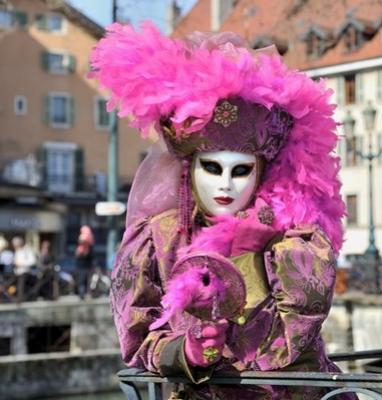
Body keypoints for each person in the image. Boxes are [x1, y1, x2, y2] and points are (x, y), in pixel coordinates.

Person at [90, 24, 354, 399]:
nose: (226, 185)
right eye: (212, 168)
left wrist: (259, 251)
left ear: (259, 171)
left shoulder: (295, 234)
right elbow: (136, 336)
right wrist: (185, 352)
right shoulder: (158, 238)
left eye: (241, 170)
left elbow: (296, 335)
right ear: (190, 169)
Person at [12, 236, 37, 302]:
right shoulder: (17, 251)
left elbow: (32, 261)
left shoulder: (27, 250)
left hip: (25, 272)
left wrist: (21, 264)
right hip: (17, 272)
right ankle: (11, 296)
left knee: (21, 283)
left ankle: (20, 299)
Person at [75, 225, 94, 299]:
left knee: (84, 281)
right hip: (83, 267)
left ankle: (84, 294)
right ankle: (82, 294)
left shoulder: (87, 248)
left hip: (85, 267)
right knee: (83, 281)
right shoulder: (82, 248)